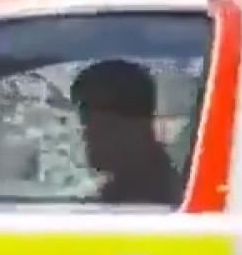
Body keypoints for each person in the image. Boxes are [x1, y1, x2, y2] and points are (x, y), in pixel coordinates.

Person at [70, 59, 180, 207]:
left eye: (88, 117)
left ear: (133, 123)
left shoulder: (155, 198)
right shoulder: (121, 188)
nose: (86, 134)